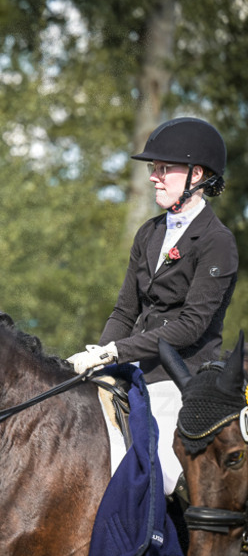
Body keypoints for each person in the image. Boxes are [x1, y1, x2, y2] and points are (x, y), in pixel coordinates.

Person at [67, 117, 238, 496]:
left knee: (158, 474)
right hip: (131, 369)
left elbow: (191, 326)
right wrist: (100, 357)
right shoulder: (150, 232)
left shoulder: (217, 242)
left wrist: (116, 351)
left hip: (179, 379)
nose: (153, 177)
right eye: (153, 168)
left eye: (164, 169)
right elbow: (125, 311)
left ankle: (171, 550)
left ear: (199, 175)